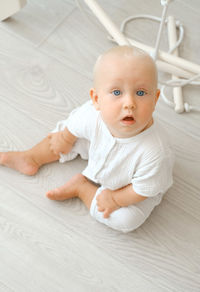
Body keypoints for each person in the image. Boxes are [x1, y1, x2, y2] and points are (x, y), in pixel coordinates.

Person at [0, 45, 174, 233]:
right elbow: (73, 126)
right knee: (61, 134)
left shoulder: (155, 153)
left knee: (127, 220)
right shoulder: (92, 115)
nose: (129, 103)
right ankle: (31, 157)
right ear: (96, 99)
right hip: (98, 149)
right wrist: (65, 139)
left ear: (155, 99)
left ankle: (82, 189)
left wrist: (115, 199)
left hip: (129, 184)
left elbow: (142, 189)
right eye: (117, 92)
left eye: (141, 93)